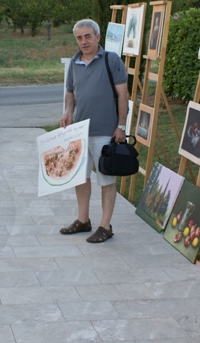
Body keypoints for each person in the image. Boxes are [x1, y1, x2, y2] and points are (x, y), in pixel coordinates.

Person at [59, 19, 128, 243]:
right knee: (80, 177)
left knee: (106, 178)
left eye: (88, 36)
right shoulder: (74, 62)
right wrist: (68, 112)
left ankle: (105, 226)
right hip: (79, 131)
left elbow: (123, 95)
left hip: (105, 131)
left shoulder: (111, 60)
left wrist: (121, 126)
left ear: (98, 37)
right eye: (79, 38)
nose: (84, 41)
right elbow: (70, 93)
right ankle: (83, 220)